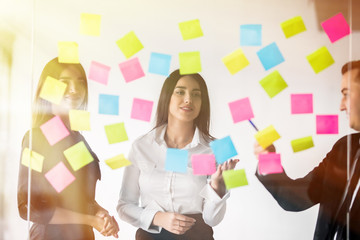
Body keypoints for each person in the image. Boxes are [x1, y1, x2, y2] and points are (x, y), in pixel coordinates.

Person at [117, 69, 239, 240]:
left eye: (196, 94)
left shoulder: (216, 149)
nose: (189, 99)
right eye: (180, 92)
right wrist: (158, 218)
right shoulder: (142, 146)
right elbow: (124, 207)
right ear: (167, 97)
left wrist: (217, 188)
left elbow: (212, 219)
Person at [254, 60, 360, 239]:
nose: (341, 106)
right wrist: (268, 160)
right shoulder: (344, 148)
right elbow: (295, 199)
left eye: (346, 94)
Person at [17, 57, 119, 240]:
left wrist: (99, 214)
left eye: (80, 83)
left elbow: (77, 198)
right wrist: (89, 220)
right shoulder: (36, 139)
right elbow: (29, 207)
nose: (74, 90)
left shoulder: (77, 140)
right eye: (64, 82)